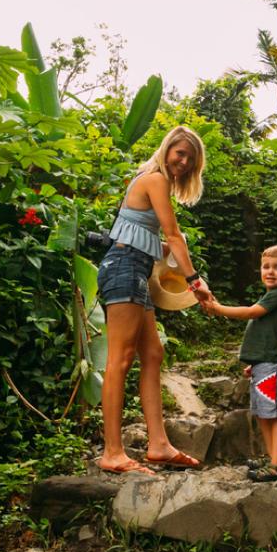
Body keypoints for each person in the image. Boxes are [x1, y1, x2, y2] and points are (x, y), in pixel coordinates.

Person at [96, 125, 212, 475]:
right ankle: (112, 452)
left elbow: (144, 234)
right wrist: (194, 280)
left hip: (135, 269)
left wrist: (164, 250)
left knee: (152, 353)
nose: (184, 162)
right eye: (180, 153)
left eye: (190, 159)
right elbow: (173, 234)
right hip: (124, 269)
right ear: (167, 150)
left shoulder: (150, 181)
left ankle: (159, 444)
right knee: (120, 359)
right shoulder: (155, 178)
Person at [203, 245, 277, 482]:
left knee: (274, 415)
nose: (271, 272)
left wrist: (218, 309)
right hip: (263, 366)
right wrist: (255, 363)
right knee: (264, 415)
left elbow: (250, 313)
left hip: (272, 367)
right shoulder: (269, 295)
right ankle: (270, 458)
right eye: (266, 267)